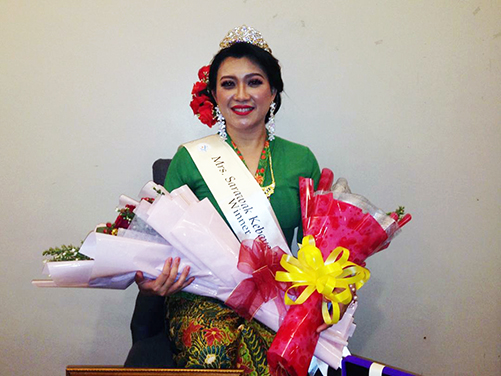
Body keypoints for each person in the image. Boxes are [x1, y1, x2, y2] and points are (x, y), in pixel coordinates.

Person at [132, 26, 338, 375]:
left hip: (275, 299)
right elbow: (157, 247)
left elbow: (317, 248)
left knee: (273, 359)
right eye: (228, 84)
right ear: (214, 93)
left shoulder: (301, 160)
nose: (241, 94)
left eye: (254, 82)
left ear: (273, 91)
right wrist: (149, 281)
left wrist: (327, 291)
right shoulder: (191, 158)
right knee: (212, 349)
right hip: (201, 294)